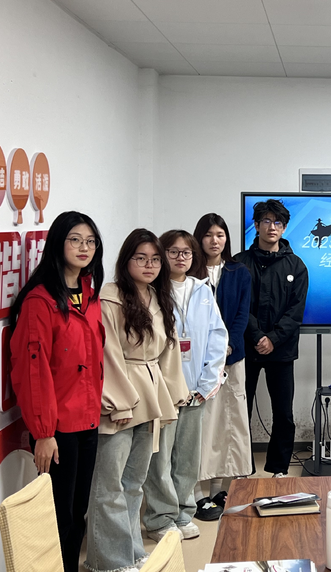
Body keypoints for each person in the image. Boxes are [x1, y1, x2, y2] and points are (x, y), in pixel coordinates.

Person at [85, 229, 188, 572]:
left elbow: (169, 350)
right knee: (109, 484)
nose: (149, 265)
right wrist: (118, 401)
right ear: (125, 260)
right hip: (119, 398)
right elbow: (108, 352)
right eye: (140, 258)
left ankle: (129, 551)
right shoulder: (110, 298)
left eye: (155, 259)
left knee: (134, 483)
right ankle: (108, 561)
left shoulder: (159, 297)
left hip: (151, 394)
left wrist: (172, 395)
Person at [9, 211, 104, 572]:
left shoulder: (89, 295)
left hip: (88, 422)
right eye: (75, 240)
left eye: (90, 241)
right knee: (58, 514)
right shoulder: (40, 301)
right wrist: (44, 433)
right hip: (58, 429)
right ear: (57, 244)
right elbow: (32, 372)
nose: (84, 247)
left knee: (78, 511)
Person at [142, 230, 228, 541]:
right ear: (162, 254)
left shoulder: (202, 290)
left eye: (186, 252)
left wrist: (207, 384)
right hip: (163, 391)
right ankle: (159, 519)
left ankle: (182, 512)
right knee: (160, 459)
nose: (181, 257)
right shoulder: (151, 291)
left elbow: (217, 337)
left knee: (188, 458)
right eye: (173, 252)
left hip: (195, 390)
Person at [235, 200, 309, 477]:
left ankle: (279, 470)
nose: (272, 227)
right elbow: (239, 306)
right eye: (266, 221)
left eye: (278, 222)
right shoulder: (239, 263)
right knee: (240, 411)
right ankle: (242, 468)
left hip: (282, 350)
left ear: (285, 227)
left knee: (284, 414)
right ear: (256, 225)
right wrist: (257, 336)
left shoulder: (296, 266)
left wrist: (273, 339)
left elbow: (296, 311)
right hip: (246, 347)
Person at [191, 213, 253, 520]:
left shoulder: (239, 271)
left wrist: (227, 347)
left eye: (220, 235)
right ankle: (197, 493)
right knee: (201, 424)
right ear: (199, 238)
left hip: (232, 358)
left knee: (229, 422)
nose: (214, 241)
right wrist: (208, 352)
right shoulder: (190, 272)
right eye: (208, 235)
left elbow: (242, 314)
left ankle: (221, 488)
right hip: (198, 362)